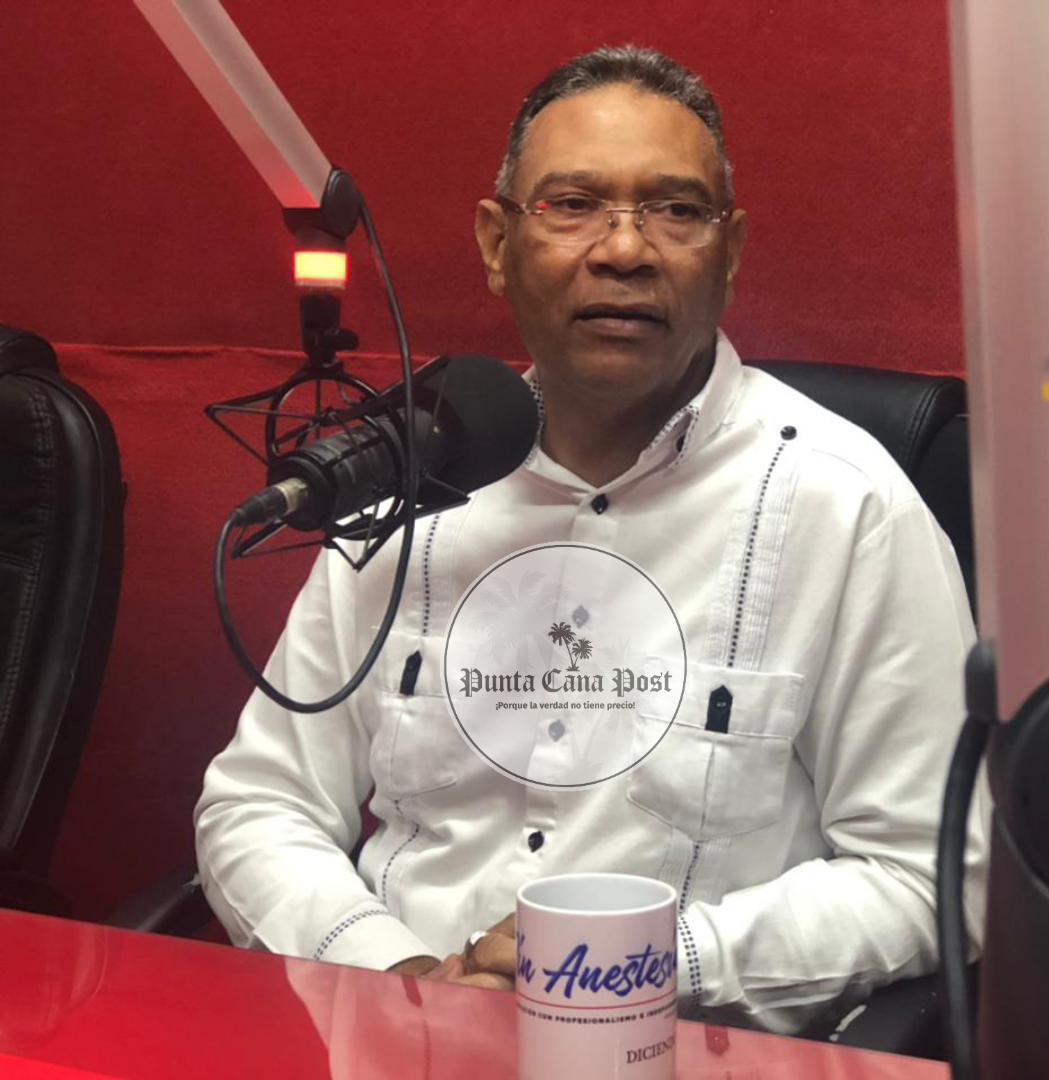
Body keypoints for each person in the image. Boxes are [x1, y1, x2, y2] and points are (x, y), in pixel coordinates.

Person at [195, 45, 989, 1036]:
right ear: (496, 244)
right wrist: (397, 973)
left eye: (676, 209)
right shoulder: (408, 478)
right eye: (571, 204)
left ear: (731, 251)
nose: (624, 249)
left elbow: (933, 876)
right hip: (399, 1033)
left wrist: (638, 962)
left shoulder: (845, 504)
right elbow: (259, 804)